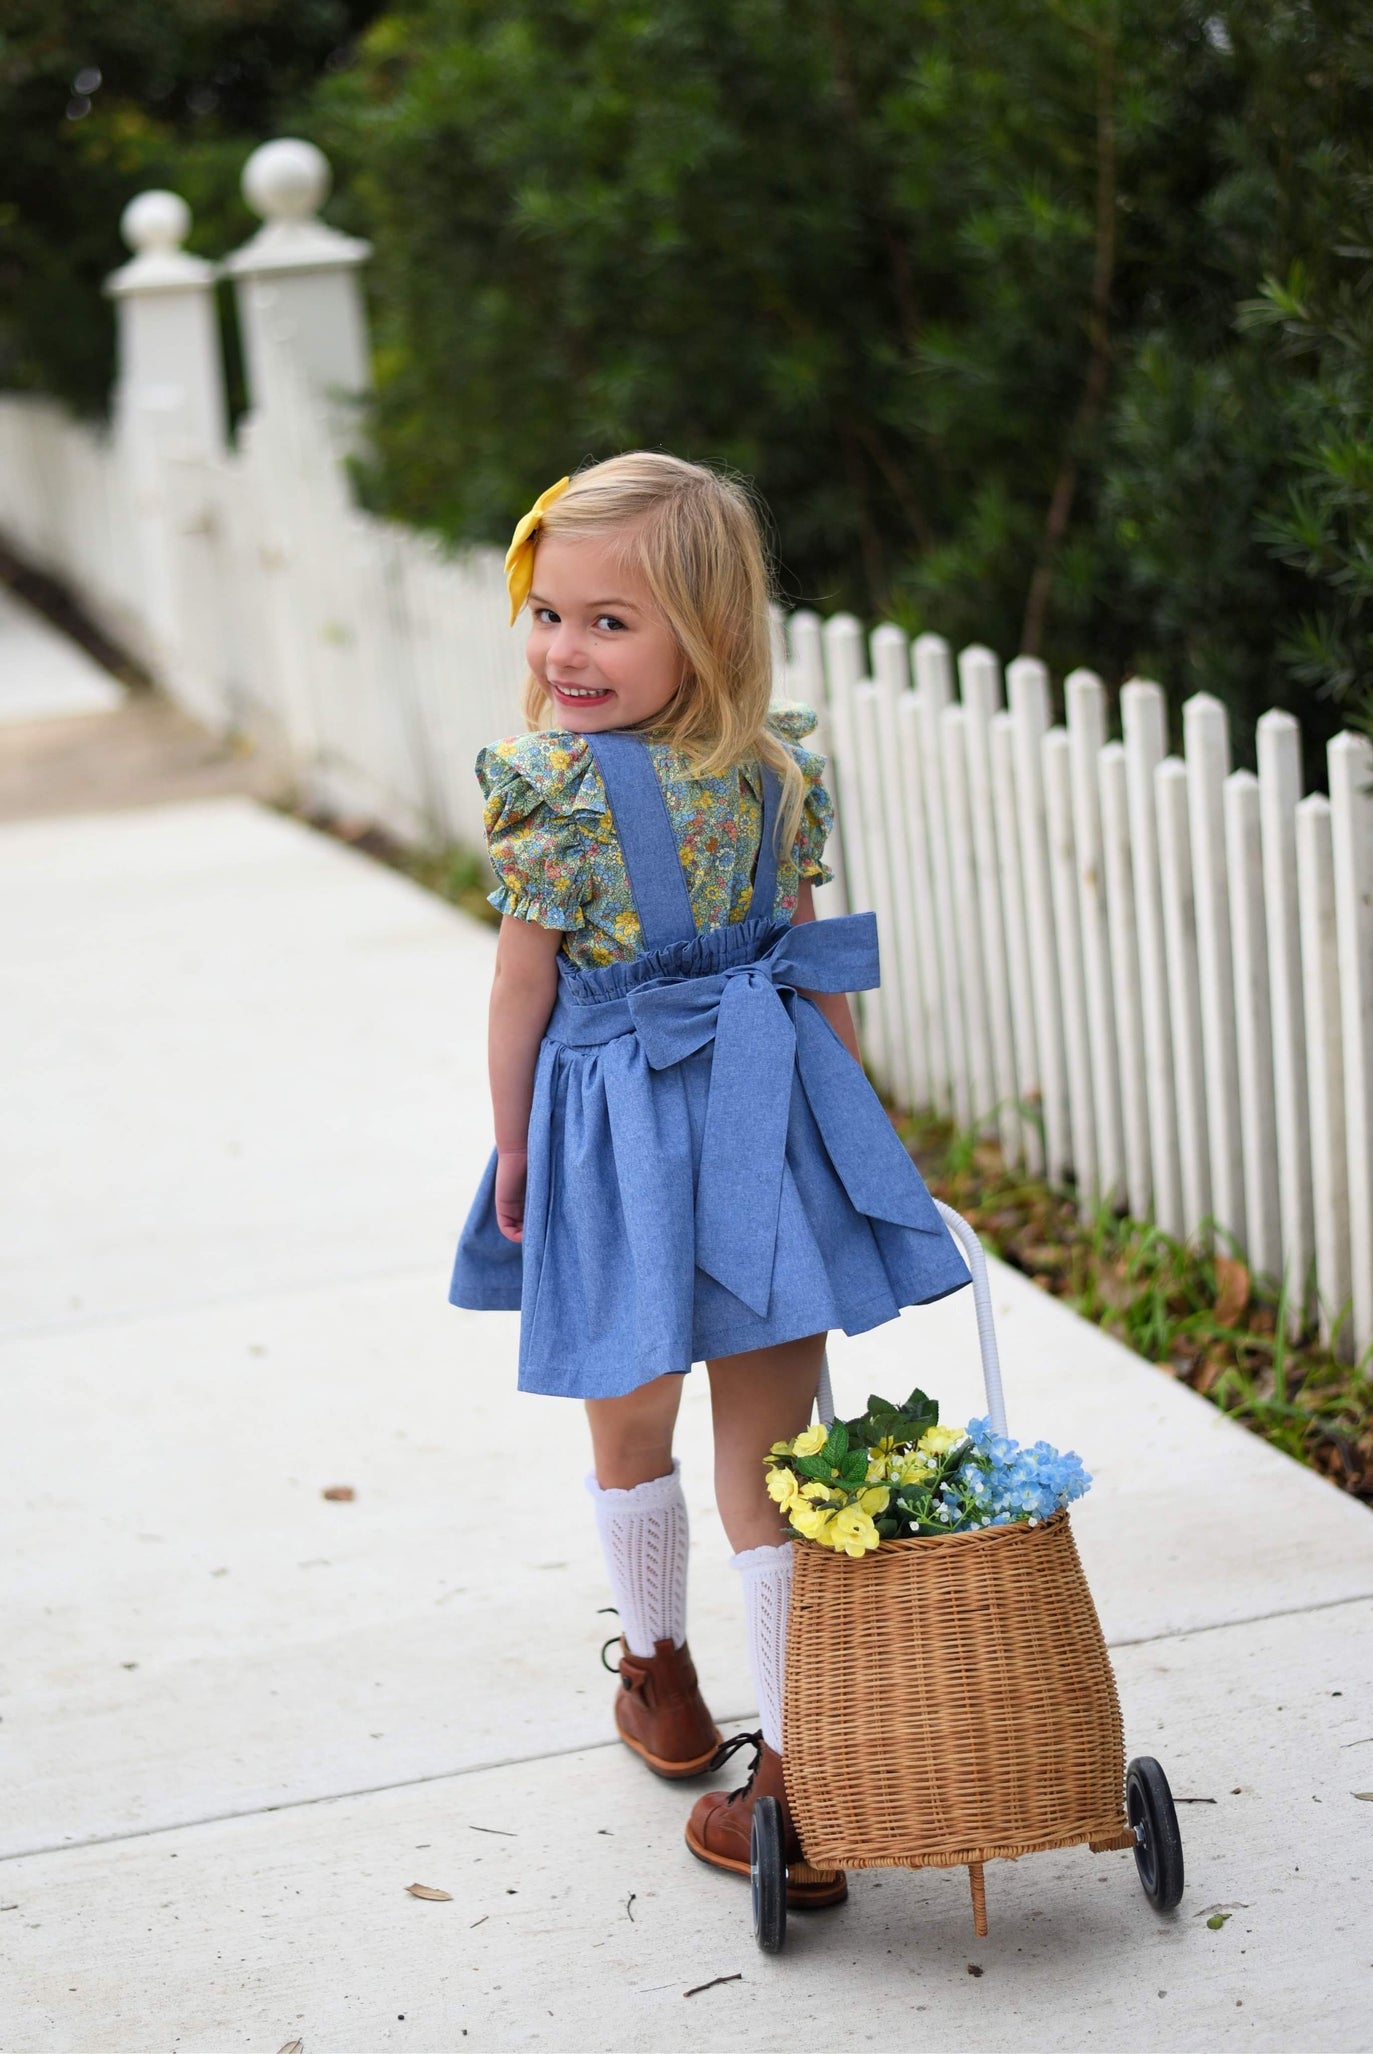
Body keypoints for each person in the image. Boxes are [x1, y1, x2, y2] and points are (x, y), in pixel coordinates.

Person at [449, 453, 970, 1908]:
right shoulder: (775, 766)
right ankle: (790, 1767)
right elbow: (809, 970)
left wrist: (513, 1144)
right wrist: (846, 1122)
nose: (563, 651)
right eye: (548, 614)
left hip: (617, 1138)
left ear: (713, 630)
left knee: (635, 1419)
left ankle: (667, 1678)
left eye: (610, 622)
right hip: (762, 1126)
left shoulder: (555, 790)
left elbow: (519, 989)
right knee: (773, 1446)